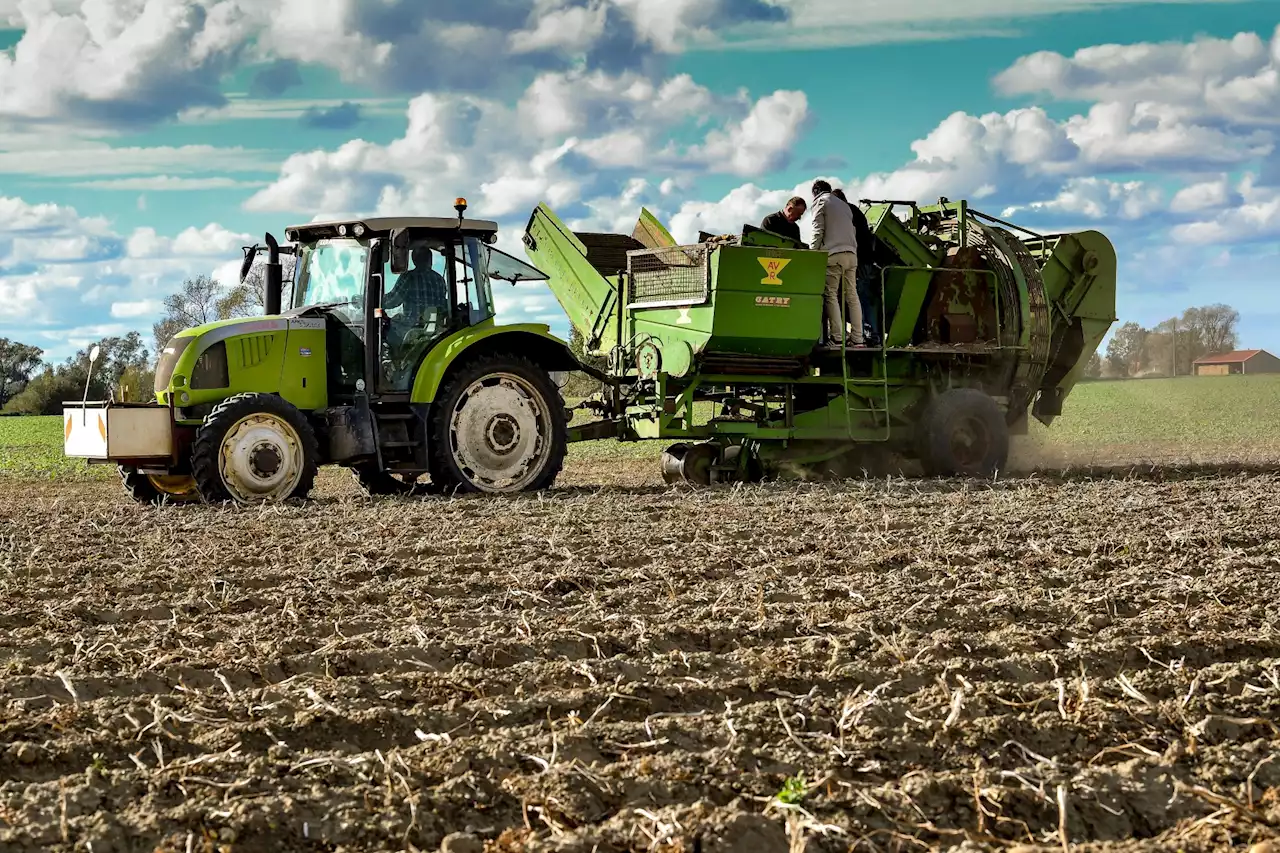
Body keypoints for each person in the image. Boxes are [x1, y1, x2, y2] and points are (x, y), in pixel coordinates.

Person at [810, 180, 863, 348]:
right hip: (852, 255)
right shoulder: (845, 206)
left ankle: (837, 338)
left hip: (833, 254)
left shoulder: (820, 202)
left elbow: (818, 230)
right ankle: (858, 338)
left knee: (831, 294)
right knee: (852, 296)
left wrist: (812, 253)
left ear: (815, 192)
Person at [832, 189, 880, 345]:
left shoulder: (847, 213)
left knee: (859, 297)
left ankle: (869, 335)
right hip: (863, 260)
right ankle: (868, 334)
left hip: (858, 261)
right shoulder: (854, 211)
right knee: (860, 297)